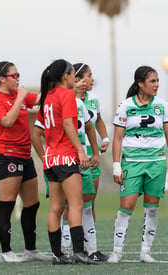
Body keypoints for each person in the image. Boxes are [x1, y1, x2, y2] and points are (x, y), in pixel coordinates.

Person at [107, 66, 168, 263]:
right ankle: (117, 251)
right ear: (140, 84)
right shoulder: (126, 106)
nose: (156, 85)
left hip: (156, 163)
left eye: (157, 81)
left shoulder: (162, 106)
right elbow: (117, 138)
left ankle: (145, 252)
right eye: (152, 81)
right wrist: (116, 166)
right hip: (132, 162)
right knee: (126, 205)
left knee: (152, 208)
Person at [0, 61, 51, 263]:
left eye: (18, 75)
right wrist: (20, 99)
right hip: (7, 156)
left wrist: (58, 84)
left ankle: (30, 249)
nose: (18, 78)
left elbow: (42, 99)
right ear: (2, 79)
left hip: (25, 155)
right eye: (14, 75)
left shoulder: (19, 96)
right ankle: (6, 252)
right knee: (7, 204)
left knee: (32, 204)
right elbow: (7, 121)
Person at [32, 84, 104, 261]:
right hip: (67, 158)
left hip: (52, 159)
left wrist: (45, 157)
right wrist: (81, 150)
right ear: (65, 77)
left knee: (56, 208)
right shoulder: (69, 99)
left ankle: (58, 255)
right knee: (76, 204)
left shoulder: (47, 100)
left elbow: (35, 134)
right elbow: (70, 125)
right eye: (72, 74)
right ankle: (79, 252)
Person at [73, 63, 109, 223]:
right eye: (89, 75)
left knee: (90, 204)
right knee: (72, 204)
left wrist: (105, 138)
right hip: (72, 157)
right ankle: (66, 244)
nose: (93, 79)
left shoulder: (94, 99)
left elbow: (99, 120)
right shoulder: (67, 99)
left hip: (93, 157)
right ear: (78, 79)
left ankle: (89, 245)